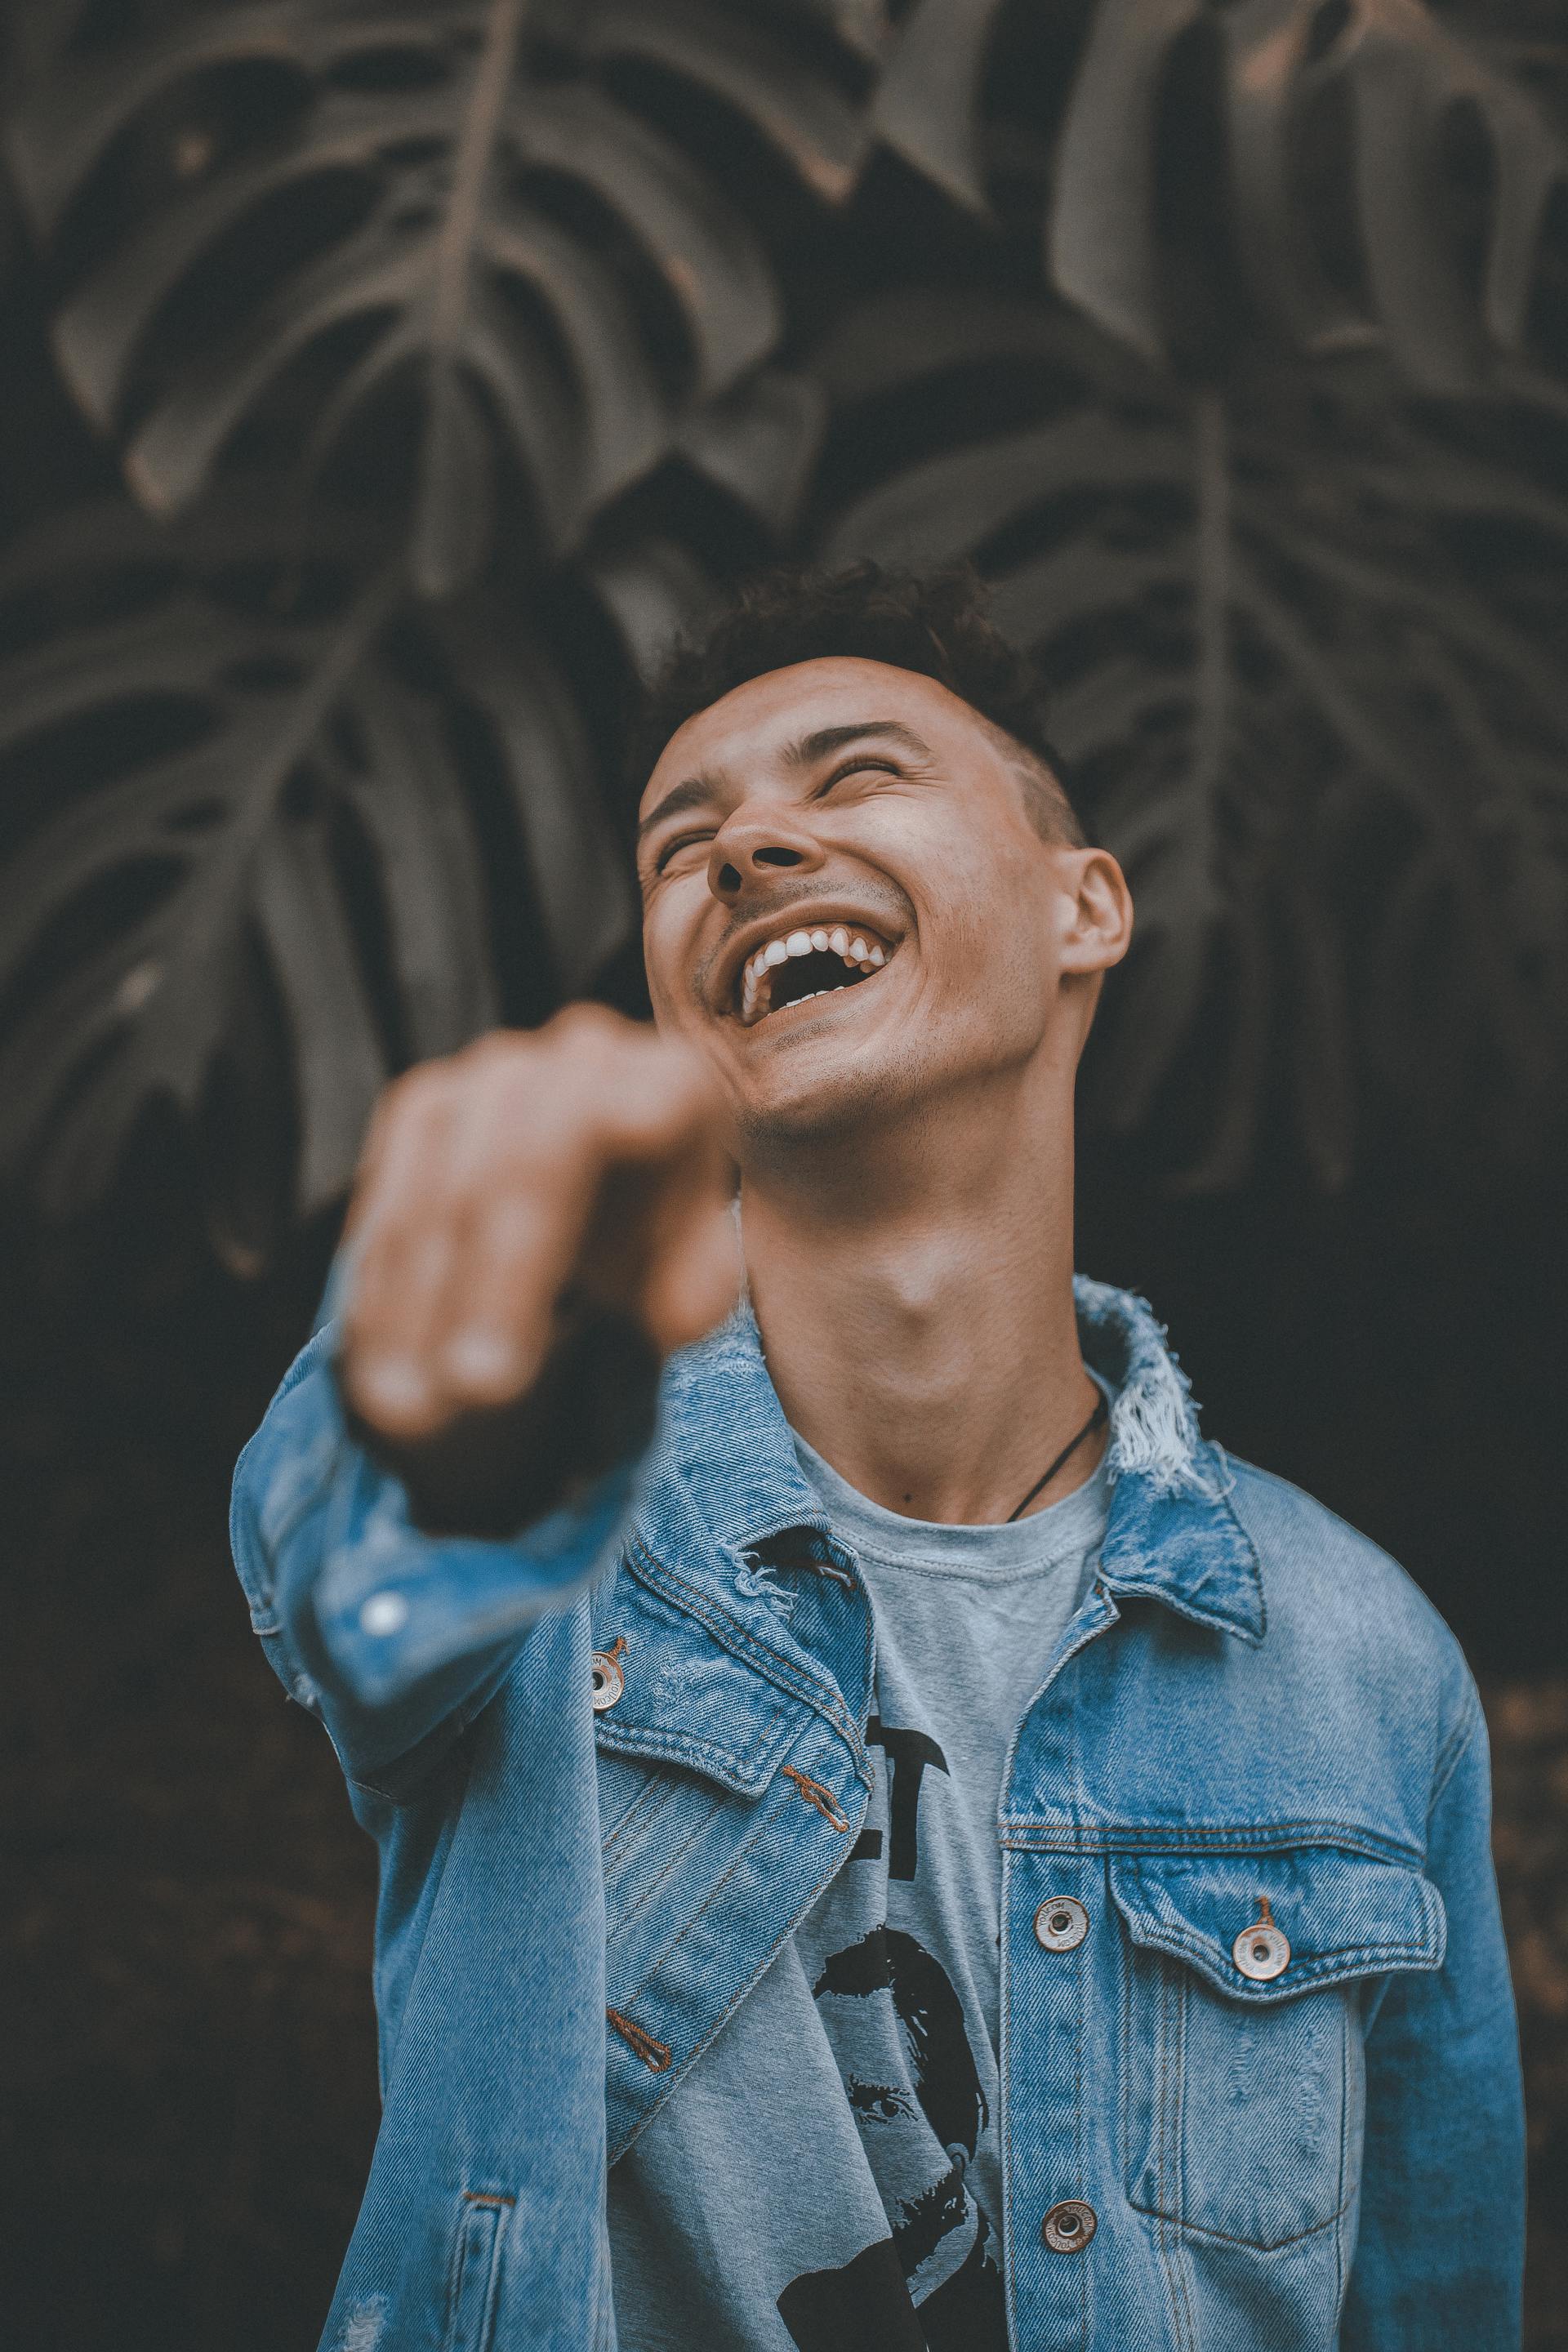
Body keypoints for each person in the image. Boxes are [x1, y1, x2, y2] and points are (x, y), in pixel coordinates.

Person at [232, 564, 1523, 2352]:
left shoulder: (1366, 1660)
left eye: (851, 781)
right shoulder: (555, 1488)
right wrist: (453, 1429)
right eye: (686, 839)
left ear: (1087, 906)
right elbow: (358, 1584)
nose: (748, 848)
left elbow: (1429, 2297)